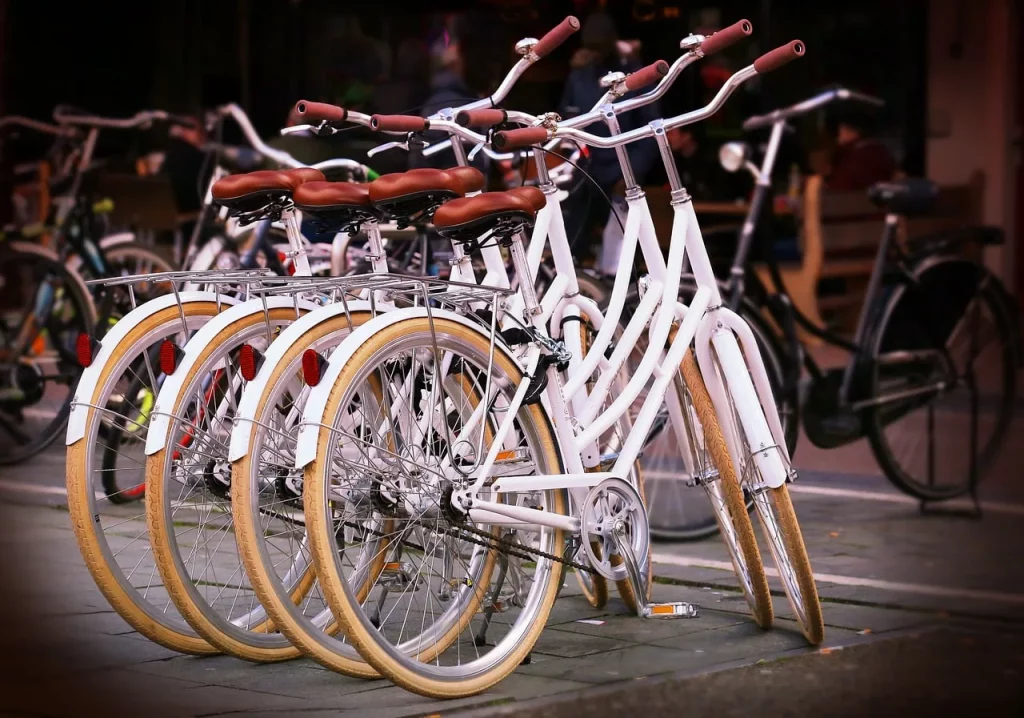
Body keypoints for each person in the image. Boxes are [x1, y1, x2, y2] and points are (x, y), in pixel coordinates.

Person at [557, 10, 661, 264]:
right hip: (585, 172)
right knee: (571, 248)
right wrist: (568, 164)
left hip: (621, 174)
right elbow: (565, 121)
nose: (595, 52)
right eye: (590, 47)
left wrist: (632, 173)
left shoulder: (635, 76)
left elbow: (650, 130)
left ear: (612, 41)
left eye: (599, 47)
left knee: (624, 255)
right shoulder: (579, 75)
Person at [823, 104, 896, 191]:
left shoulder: (862, 156)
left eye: (843, 130)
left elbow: (842, 186)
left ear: (855, 132)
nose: (839, 135)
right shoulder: (878, 152)